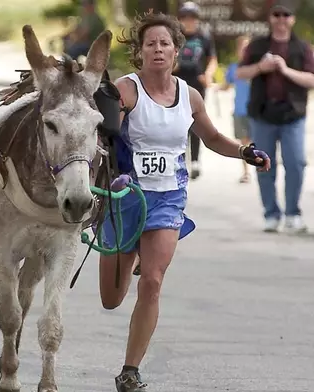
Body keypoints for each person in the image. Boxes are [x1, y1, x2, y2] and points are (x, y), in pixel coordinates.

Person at [95, 11, 270, 392]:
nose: (158, 49)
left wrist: (244, 151)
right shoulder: (127, 90)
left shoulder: (188, 95)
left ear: (177, 51)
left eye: (165, 44)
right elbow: (104, 133)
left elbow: (212, 138)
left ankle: (130, 369)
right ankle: (132, 255)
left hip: (168, 199)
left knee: (153, 283)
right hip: (124, 196)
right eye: (150, 44)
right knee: (111, 298)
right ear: (139, 52)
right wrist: (109, 116)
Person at [236, 0, 314, 234]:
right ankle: (271, 214)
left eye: (286, 15)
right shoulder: (258, 46)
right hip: (263, 114)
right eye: (277, 15)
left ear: (292, 20)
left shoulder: (302, 48)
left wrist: (284, 69)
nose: (281, 20)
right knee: (263, 164)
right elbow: (240, 73)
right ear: (271, 18)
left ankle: (292, 213)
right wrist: (261, 68)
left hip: (293, 114)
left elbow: (311, 79)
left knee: (296, 163)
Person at [172, 1, 218, 180]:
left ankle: (196, 160)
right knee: (178, 122)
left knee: (196, 120)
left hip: (197, 83)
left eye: (192, 18)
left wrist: (208, 74)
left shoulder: (204, 36)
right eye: (185, 17)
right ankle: (180, 159)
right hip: (177, 82)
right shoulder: (175, 36)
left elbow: (212, 59)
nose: (189, 21)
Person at [221, 35, 252, 183]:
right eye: (242, 48)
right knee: (244, 142)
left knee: (259, 141)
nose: (244, 51)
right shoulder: (233, 68)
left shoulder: (257, 68)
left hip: (257, 111)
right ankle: (246, 172)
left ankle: (263, 166)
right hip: (240, 110)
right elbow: (226, 85)